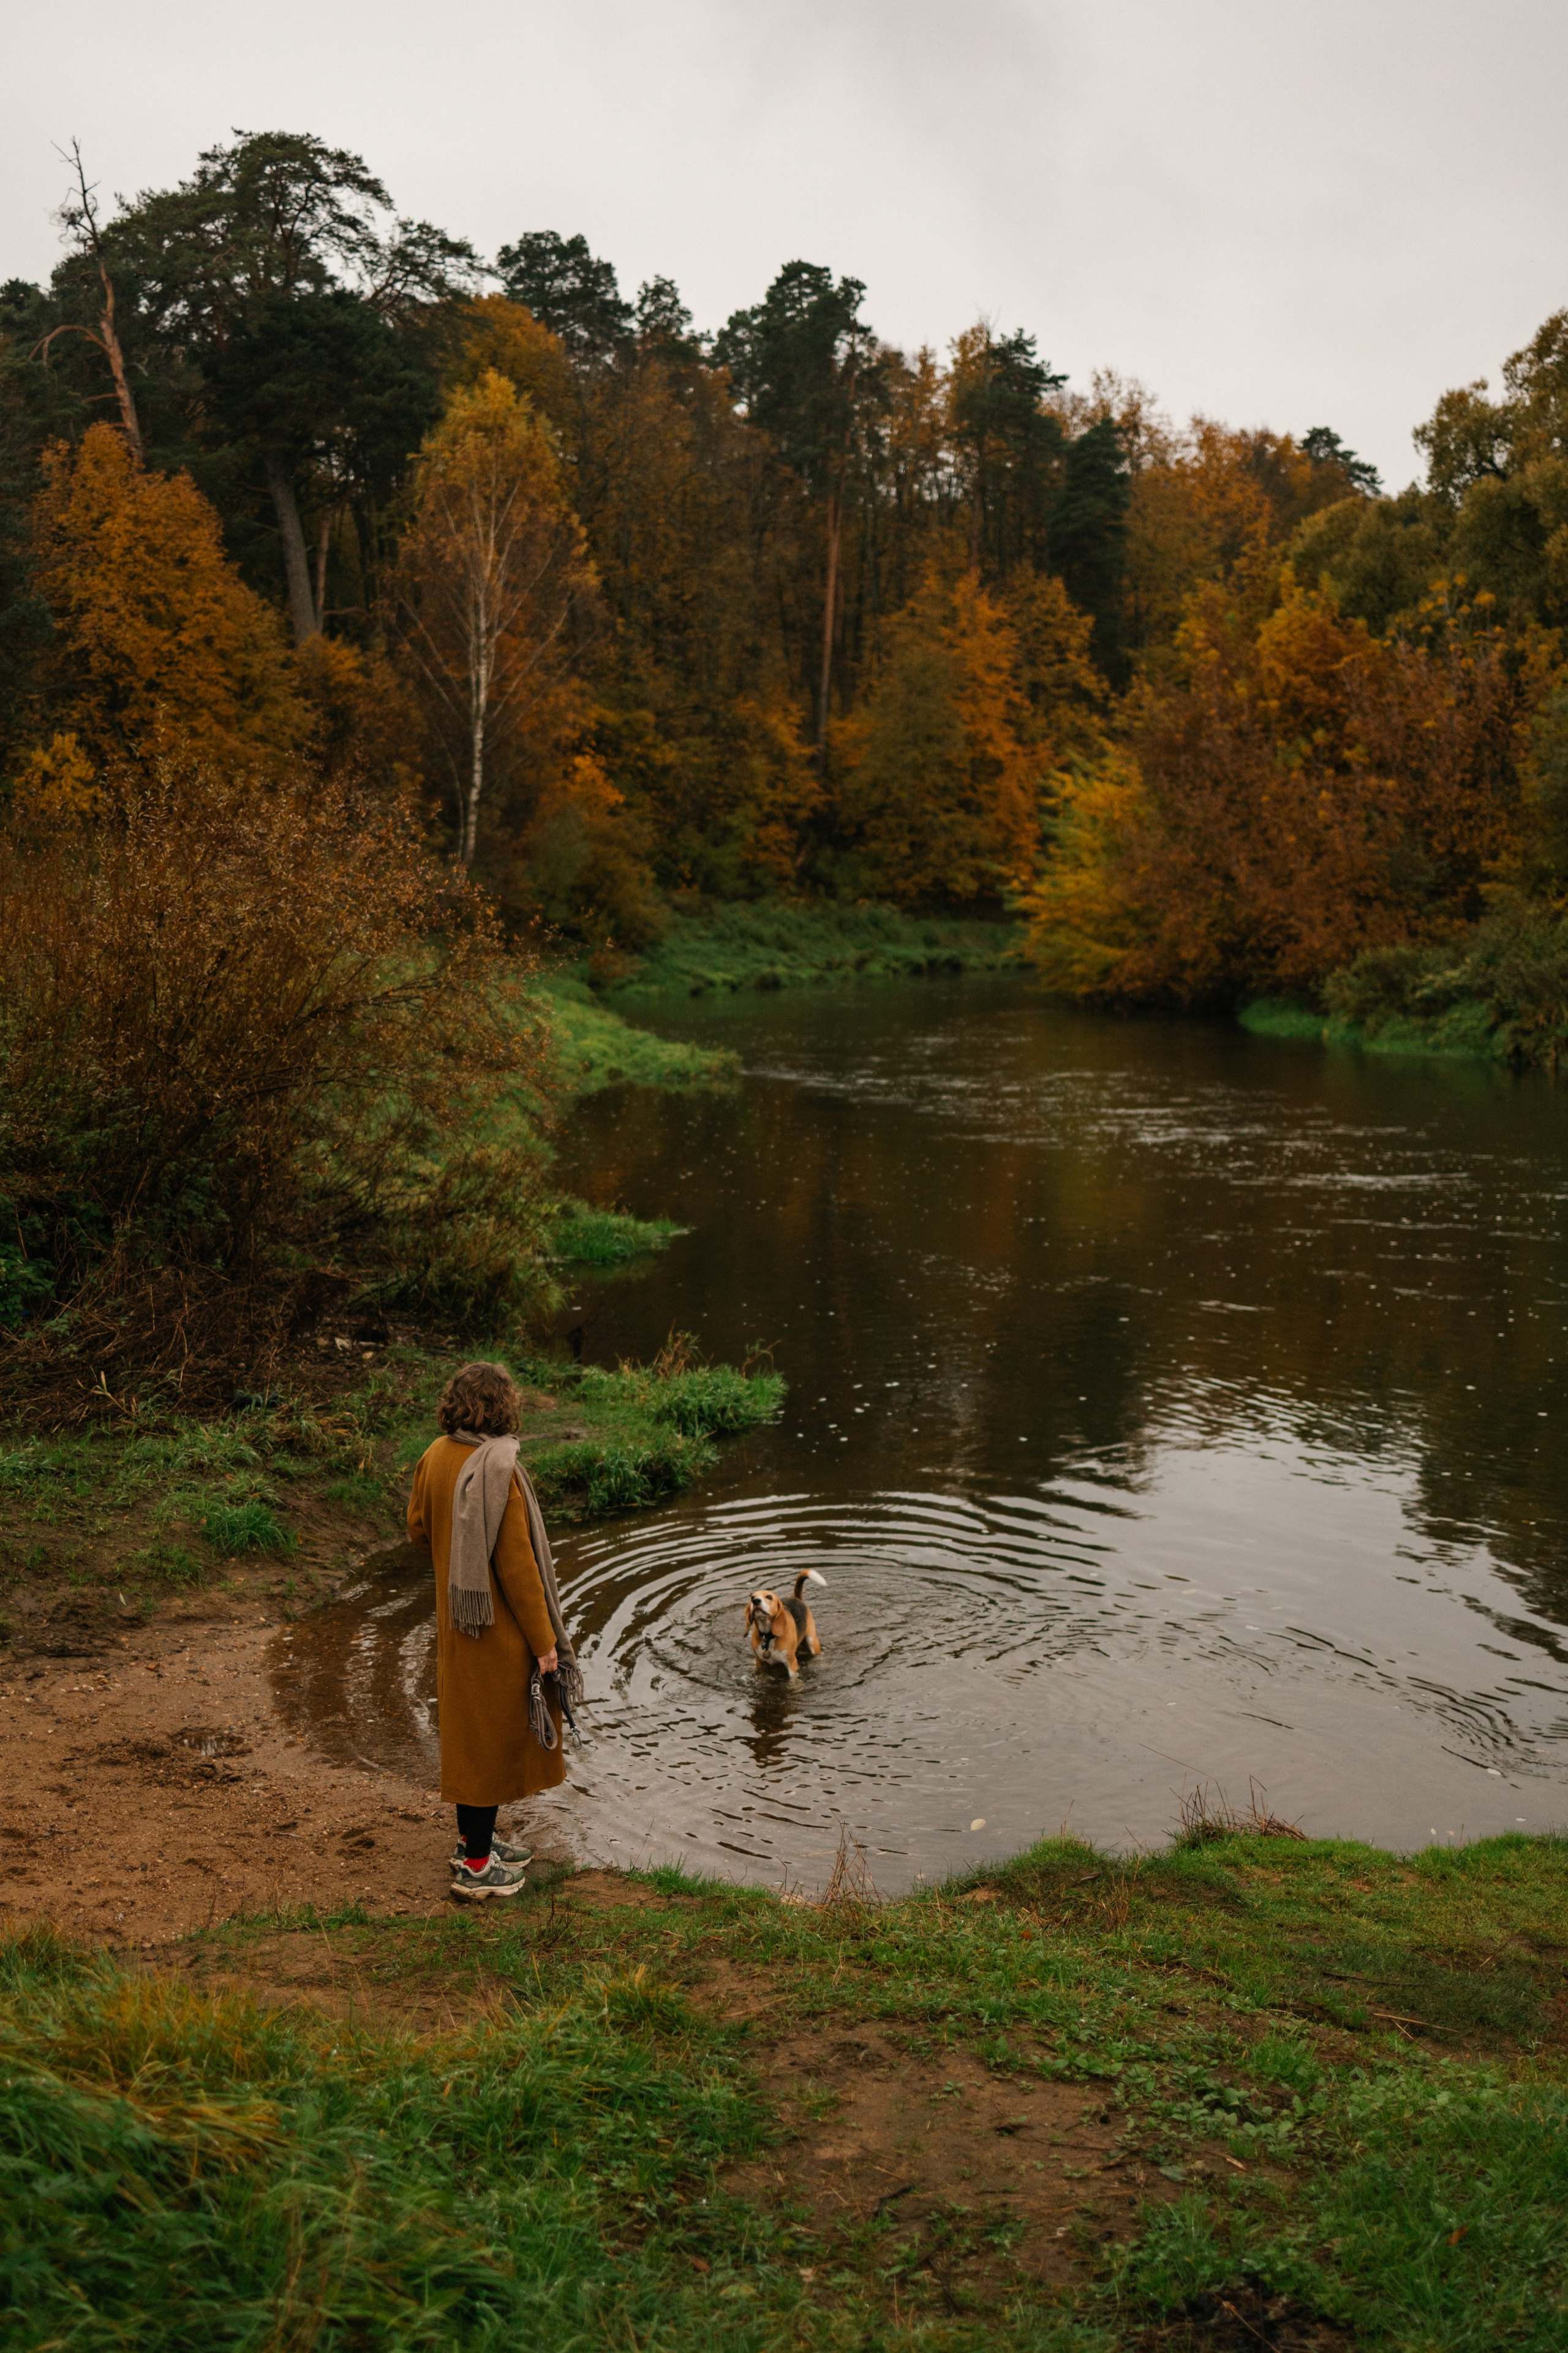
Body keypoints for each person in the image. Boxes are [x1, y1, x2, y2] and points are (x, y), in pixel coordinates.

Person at [406, 1359, 581, 1901]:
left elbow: (417, 1528)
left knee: (471, 1738)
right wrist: (546, 1643)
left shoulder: (435, 1455)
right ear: (503, 1406)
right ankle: (477, 1870)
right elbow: (519, 1568)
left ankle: (471, 1844)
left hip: (458, 1625)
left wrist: (456, 1561)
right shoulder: (498, 1469)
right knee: (490, 1745)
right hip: (499, 1633)